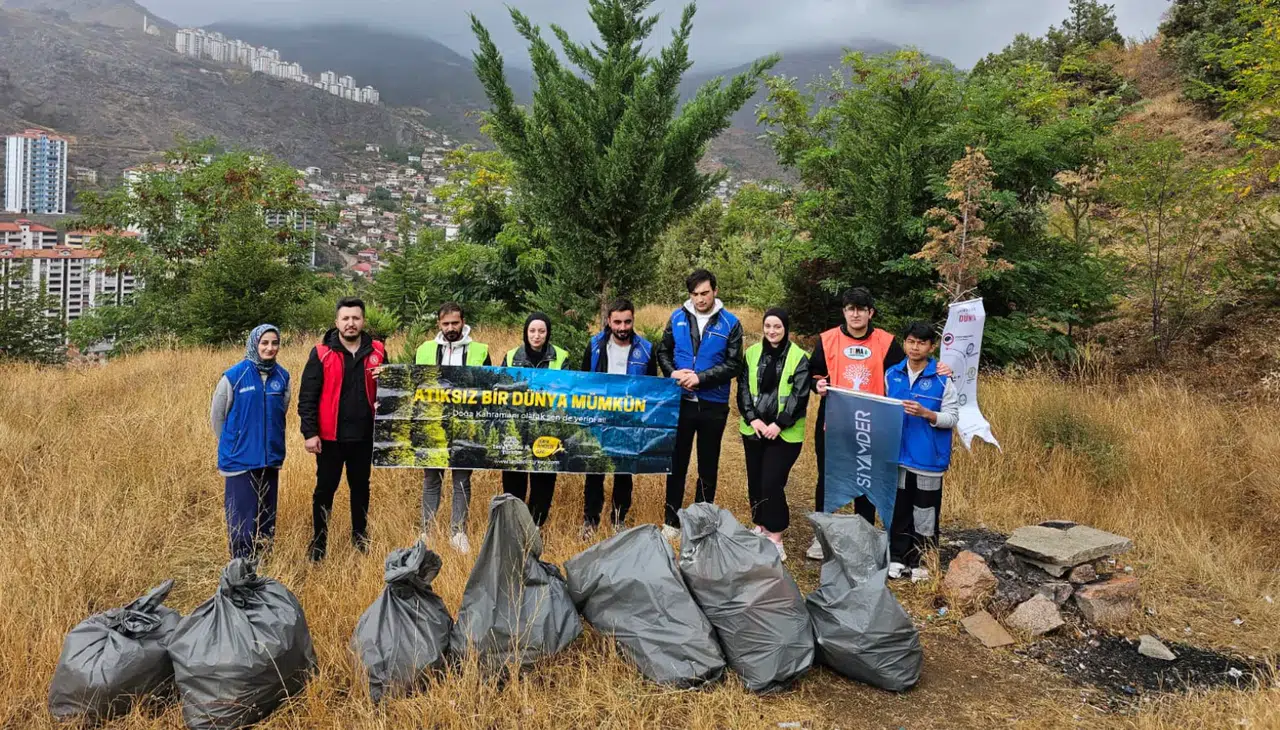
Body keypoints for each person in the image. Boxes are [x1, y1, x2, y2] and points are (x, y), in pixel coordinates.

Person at [806, 286, 949, 560]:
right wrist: (818, 385)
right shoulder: (827, 340)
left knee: (866, 480)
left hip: (871, 426)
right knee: (828, 479)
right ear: (844, 312)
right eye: (850, 308)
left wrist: (942, 366)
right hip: (833, 424)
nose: (855, 314)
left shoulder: (886, 342)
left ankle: (865, 536)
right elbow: (814, 374)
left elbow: (909, 366)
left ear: (870, 313)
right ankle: (821, 535)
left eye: (861, 309)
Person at [656, 269, 744, 539]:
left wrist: (700, 379)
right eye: (694, 294)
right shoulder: (677, 317)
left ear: (715, 291)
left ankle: (701, 521)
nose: (700, 299)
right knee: (677, 462)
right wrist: (671, 372)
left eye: (705, 293)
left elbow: (733, 364)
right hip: (681, 402)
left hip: (713, 405)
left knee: (707, 465)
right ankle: (671, 521)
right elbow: (663, 351)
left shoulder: (731, 323)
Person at [298, 297, 386, 561]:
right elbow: (307, 397)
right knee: (325, 490)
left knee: (361, 488)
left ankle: (360, 538)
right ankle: (319, 543)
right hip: (330, 438)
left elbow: (388, 393)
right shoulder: (322, 353)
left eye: (355, 318)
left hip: (364, 436)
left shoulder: (378, 351)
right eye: (345, 318)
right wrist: (309, 433)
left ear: (363, 321)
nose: (351, 323)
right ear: (337, 322)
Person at [414, 301, 491, 554]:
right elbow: (414, 384)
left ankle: (458, 532)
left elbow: (488, 388)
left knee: (461, 479)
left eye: (455, 323)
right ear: (439, 324)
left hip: (465, 425)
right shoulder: (425, 350)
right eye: (445, 324)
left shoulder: (480, 350)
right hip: (433, 424)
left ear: (463, 322)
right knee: (431, 478)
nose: (450, 328)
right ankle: (428, 530)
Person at [884, 321, 958, 582]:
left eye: (921, 343)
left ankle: (923, 562)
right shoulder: (892, 374)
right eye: (911, 341)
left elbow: (952, 418)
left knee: (925, 513)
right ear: (904, 343)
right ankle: (896, 558)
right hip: (898, 457)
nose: (915, 347)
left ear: (931, 346)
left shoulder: (942, 378)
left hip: (928, 459)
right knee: (899, 510)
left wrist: (927, 414)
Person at [579, 298, 657, 537]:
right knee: (594, 472)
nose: (623, 327)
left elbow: (651, 386)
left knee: (623, 473)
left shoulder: (646, 349)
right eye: (618, 322)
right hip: (598, 419)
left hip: (629, 421)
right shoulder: (594, 346)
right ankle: (590, 521)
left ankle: (618, 520)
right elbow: (583, 381)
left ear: (633, 320)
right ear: (609, 321)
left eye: (627, 322)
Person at [737, 308, 810, 562]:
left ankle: (776, 535)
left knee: (771, 482)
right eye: (768, 326)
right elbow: (744, 389)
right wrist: (753, 418)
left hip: (784, 434)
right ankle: (760, 524)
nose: (772, 331)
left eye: (777, 327)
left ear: (786, 328)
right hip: (754, 429)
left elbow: (799, 396)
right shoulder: (752, 353)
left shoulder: (799, 357)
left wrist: (779, 424)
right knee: (755, 480)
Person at [211, 324, 289, 560]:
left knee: (266, 517)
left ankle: (263, 563)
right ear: (254, 344)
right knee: (241, 518)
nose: (270, 348)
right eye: (264, 343)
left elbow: (280, 412)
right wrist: (234, 443)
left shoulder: (283, 377)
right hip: (240, 460)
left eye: (274, 343)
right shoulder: (234, 376)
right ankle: (241, 566)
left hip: (269, 458)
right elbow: (218, 417)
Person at [501, 312, 570, 526]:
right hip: (517, 426)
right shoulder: (512, 356)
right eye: (532, 331)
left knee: (543, 482)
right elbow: (502, 389)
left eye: (541, 331)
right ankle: (514, 527)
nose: (536, 335)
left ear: (548, 333)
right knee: (514, 481)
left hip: (547, 428)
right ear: (525, 332)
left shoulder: (561, 357)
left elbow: (566, 391)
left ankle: (536, 528)